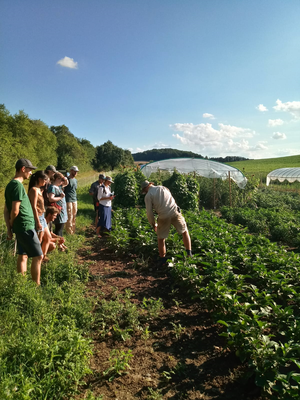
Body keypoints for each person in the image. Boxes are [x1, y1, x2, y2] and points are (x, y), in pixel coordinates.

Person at [4, 158, 43, 284]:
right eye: (30, 170)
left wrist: (9, 228)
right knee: (38, 256)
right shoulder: (17, 186)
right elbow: (14, 210)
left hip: (21, 227)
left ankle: (21, 286)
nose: (31, 173)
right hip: (25, 226)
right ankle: (35, 288)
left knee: (23, 255)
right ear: (23, 169)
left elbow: (6, 210)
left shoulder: (10, 185)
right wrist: (11, 223)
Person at [141, 180, 192, 266]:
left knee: (161, 238)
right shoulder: (163, 188)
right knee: (184, 231)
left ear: (145, 189)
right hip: (175, 212)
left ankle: (162, 259)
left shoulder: (148, 196)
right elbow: (171, 199)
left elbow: (149, 213)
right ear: (150, 184)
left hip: (163, 216)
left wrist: (153, 224)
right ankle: (189, 253)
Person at [28, 170, 52, 262]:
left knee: (48, 238)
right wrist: (37, 221)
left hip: (42, 216)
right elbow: (33, 206)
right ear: (39, 179)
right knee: (39, 239)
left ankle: (43, 256)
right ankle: (36, 259)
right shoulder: (34, 190)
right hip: (38, 217)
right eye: (44, 180)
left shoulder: (39, 189)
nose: (45, 182)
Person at [47, 172, 68, 236]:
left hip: (61, 210)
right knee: (59, 229)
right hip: (58, 210)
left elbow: (66, 183)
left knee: (60, 228)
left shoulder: (58, 186)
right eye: (61, 180)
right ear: (57, 179)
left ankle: (60, 243)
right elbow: (51, 198)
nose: (62, 181)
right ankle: (58, 243)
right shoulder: (53, 187)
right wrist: (60, 197)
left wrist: (65, 178)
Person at [64, 166, 79, 234]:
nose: (76, 173)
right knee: (69, 215)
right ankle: (69, 231)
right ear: (71, 171)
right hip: (68, 199)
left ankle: (73, 230)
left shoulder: (75, 180)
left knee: (74, 215)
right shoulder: (66, 179)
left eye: (76, 172)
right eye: (74, 171)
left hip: (74, 199)